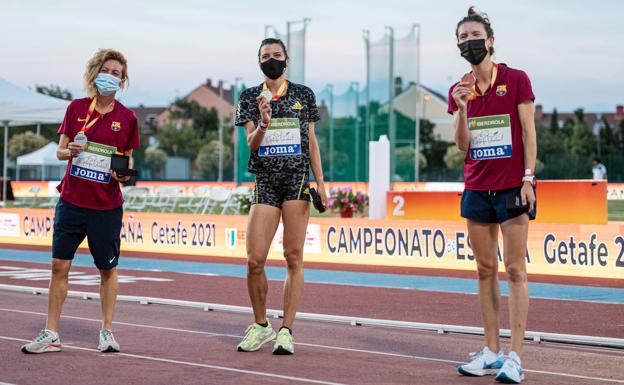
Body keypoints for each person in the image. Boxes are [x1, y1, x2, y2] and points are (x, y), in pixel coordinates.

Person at [21, 49, 139, 354]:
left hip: (106, 206)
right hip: (72, 201)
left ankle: (107, 332)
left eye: (116, 73)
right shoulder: (75, 108)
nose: (110, 76)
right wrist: (69, 150)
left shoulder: (127, 118)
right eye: (106, 70)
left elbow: (126, 158)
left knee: (107, 270)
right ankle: (51, 334)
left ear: (123, 80)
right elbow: (60, 150)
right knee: (59, 266)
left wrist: (122, 174)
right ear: (95, 72)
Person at [448, 7, 537, 384]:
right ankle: (491, 351)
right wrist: (462, 108)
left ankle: (515, 356)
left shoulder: (516, 79)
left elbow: (529, 132)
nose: (469, 42)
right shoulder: (460, 88)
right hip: (476, 188)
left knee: (515, 269)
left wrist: (529, 178)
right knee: (485, 271)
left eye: (475, 35)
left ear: (490, 40)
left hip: (512, 187)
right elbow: (462, 146)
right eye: (463, 37)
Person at [234, 38, 327, 355]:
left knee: (293, 256)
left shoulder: (303, 94)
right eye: (265, 56)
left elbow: (312, 142)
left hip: (297, 181)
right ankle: (261, 326)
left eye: (276, 55)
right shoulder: (249, 97)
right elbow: (252, 143)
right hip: (266, 182)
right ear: (258, 61)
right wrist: (263, 122)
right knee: (254, 260)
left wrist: (322, 183)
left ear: (286, 60)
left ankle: (286, 330)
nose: (270, 60)